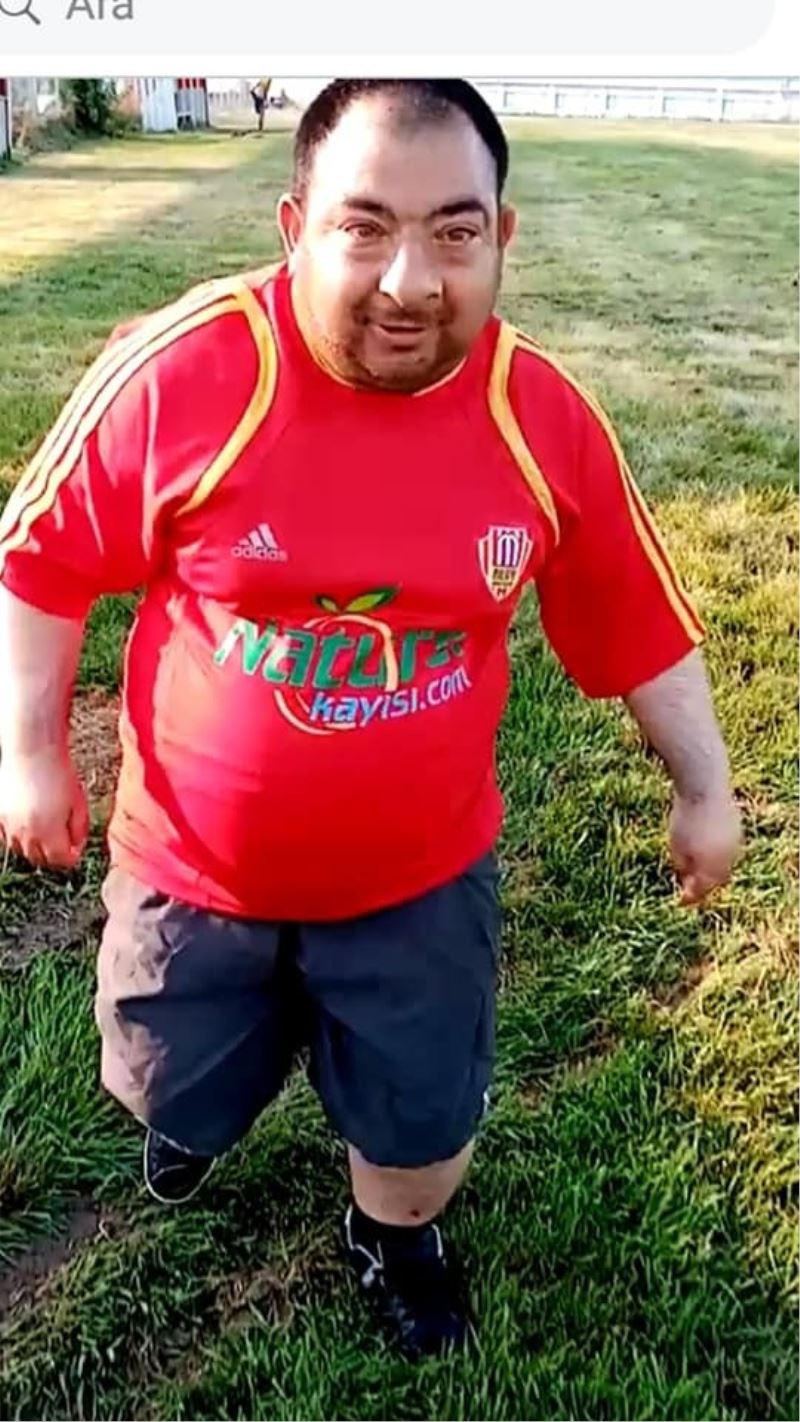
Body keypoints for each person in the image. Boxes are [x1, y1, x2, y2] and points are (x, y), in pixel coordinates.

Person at [0, 79, 741, 1359]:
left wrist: (704, 787)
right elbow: (39, 556)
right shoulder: (187, 369)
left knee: (418, 1119)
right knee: (170, 1085)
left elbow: (635, 614)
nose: (410, 282)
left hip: (418, 879)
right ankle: (197, 1117)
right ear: (296, 229)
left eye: (454, 232)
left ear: (501, 238)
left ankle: (392, 1234)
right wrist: (28, 751)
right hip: (193, 867)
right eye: (364, 227)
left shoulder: (537, 415)